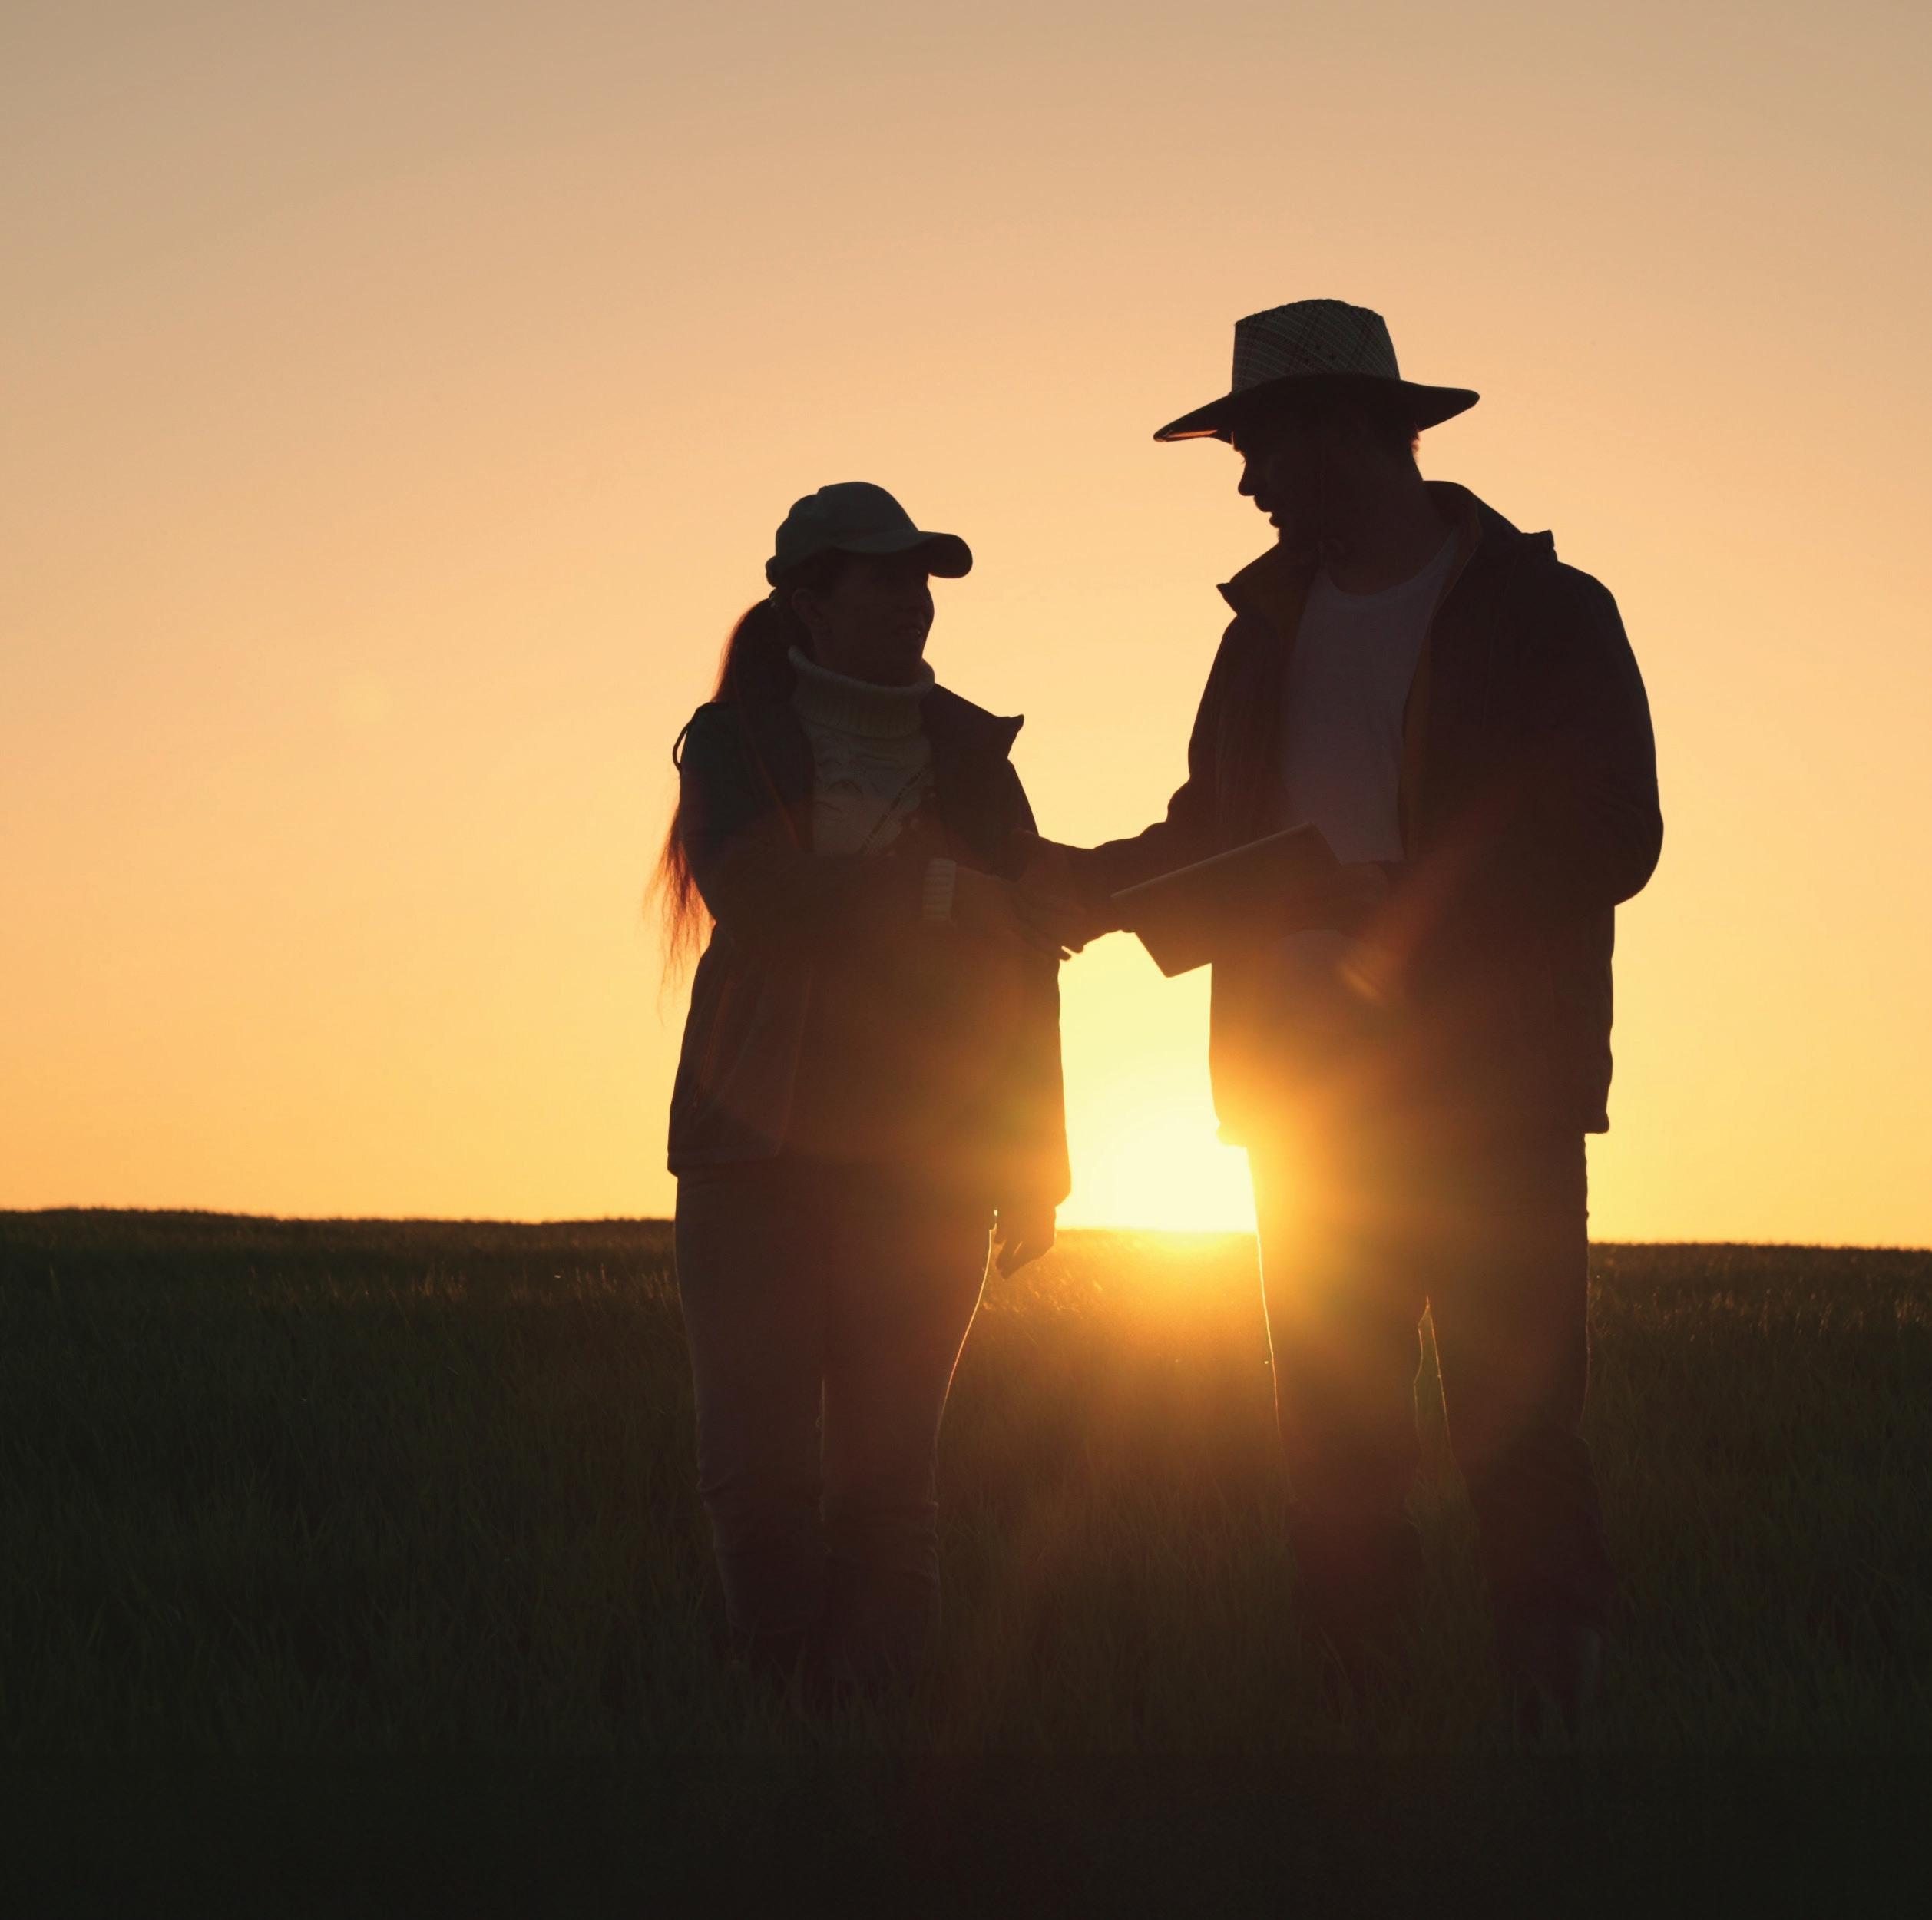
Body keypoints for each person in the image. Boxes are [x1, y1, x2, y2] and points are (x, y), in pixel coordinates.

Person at [1027, 300, 1662, 1732]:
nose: (1248, 483)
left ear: (1344, 432)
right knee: (1329, 1436)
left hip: (1493, 1087)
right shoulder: (1262, 634)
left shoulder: (1547, 609)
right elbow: (1214, 834)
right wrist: (1075, 888)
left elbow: (1616, 830)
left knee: (1518, 1426)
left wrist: (1402, 894)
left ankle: (1555, 1735)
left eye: (1257, 447)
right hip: (1304, 1091)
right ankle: (1356, 1728)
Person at [654, 481, 1071, 1691]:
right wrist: (939, 892)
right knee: (757, 1468)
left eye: (920, 578)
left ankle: (877, 1728)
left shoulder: (972, 756)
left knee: (892, 1479)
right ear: (808, 598)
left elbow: (1027, 963)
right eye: (883, 577)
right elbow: (765, 902)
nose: (912, 600)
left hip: (930, 1161)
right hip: (753, 1152)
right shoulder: (733, 743)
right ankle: (780, 1706)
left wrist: (1036, 1162)